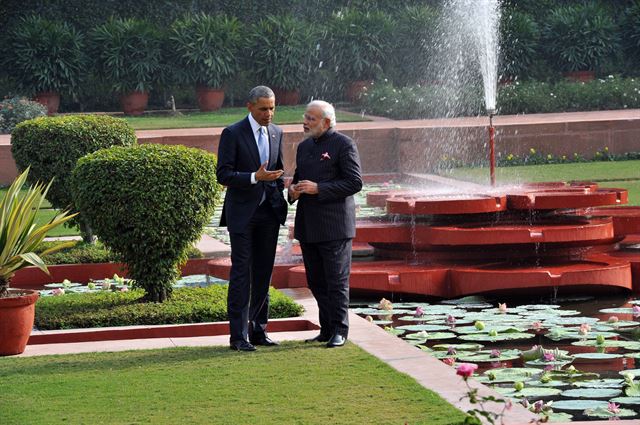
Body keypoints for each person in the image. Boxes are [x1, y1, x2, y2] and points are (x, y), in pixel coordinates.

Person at [216, 86, 288, 351]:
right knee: (241, 274)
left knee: (263, 273)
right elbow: (223, 175)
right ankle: (238, 336)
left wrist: (283, 193)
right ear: (250, 107)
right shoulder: (233, 133)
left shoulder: (277, 132)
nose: (269, 114)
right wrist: (253, 177)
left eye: (272, 108)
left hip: (268, 213)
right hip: (242, 215)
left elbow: (277, 172)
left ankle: (259, 330)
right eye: (263, 109)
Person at [288, 100, 362, 348]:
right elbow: (298, 179)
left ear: (326, 122)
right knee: (316, 281)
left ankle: (340, 330)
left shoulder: (344, 144)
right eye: (305, 117)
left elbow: (354, 183)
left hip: (335, 226)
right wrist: (293, 191)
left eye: (311, 118)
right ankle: (326, 328)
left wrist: (320, 188)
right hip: (309, 226)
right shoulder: (304, 146)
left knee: (336, 280)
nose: (305, 122)